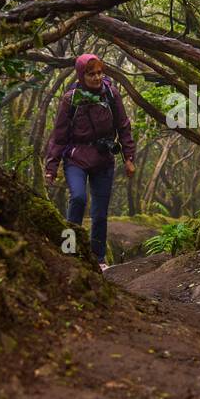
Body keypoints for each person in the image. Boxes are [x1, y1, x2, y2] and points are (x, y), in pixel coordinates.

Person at [44, 53, 136, 271]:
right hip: (76, 157)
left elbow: (123, 126)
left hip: (103, 159)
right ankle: (68, 250)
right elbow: (59, 135)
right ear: (81, 75)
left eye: (99, 73)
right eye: (91, 74)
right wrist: (51, 168)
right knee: (77, 198)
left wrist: (129, 158)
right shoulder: (71, 99)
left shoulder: (111, 94)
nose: (96, 77)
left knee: (100, 212)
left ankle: (99, 258)